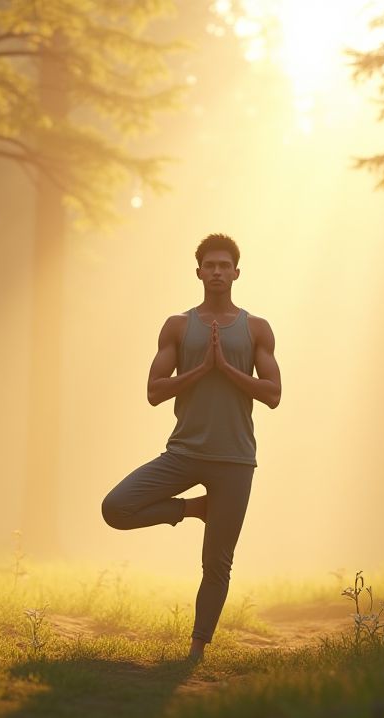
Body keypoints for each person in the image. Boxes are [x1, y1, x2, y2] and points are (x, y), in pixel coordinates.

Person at [101, 233, 282, 660]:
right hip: (183, 453)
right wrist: (201, 370)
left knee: (217, 563)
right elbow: (154, 391)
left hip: (235, 461)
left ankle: (196, 651)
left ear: (237, 272)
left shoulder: (256, 328)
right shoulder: (178, 326)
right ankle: (193, 509)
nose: (217, 271)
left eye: (225, 265)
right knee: (116, 508)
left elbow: (273, 394)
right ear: (198, 272)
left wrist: (226, 369)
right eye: (210, 265)